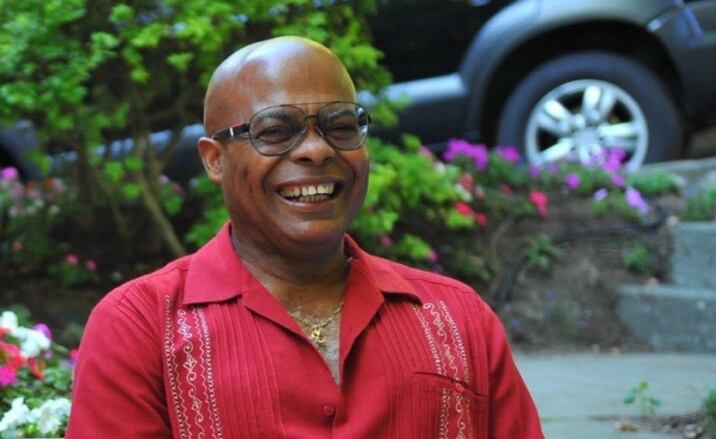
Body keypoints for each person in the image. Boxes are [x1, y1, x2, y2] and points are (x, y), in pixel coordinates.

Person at [66, 36, 544, 439]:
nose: (317, 149)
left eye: (339, 126)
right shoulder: (140, 328)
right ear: (214, 159)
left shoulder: (458, 319)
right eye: (276, 130)